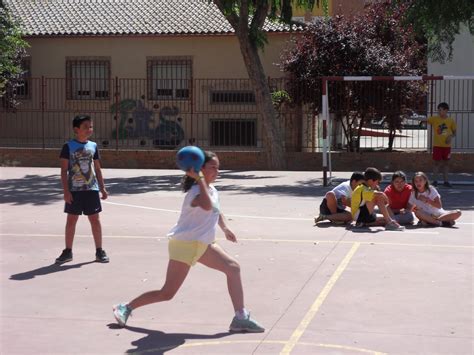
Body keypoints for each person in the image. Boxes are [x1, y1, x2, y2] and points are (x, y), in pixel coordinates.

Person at [113, 151, 264, 333]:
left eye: (218, 167)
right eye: (213, 167)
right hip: (184, 246)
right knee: (167, 293)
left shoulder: (212, 190)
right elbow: (207, 205)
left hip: (203, 244)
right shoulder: (195, 193)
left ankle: (240, 317)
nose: (217, 171)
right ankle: (125, 307)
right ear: (200, 169)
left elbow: (216, 210)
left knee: (233, 268)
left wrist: (224, 228)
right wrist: (199, 179)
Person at [55, 115, 109, 264]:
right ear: (76, 129)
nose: (89, 129)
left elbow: (97, 169)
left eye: (90, 126)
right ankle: (68, 251)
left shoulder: (93, 146)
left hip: (91, 189)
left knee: (95, 220)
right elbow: (63, 171)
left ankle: (99, 251)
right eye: (85, 127)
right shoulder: (68, 146)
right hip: (74, 191)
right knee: (71, 220)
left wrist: (102, 188)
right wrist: (66, 191)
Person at [424, 102, 457, 187]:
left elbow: (454, 133)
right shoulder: (435, 119)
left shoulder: (451, 121)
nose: (439, 112)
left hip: (447, 147)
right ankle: (435, 181)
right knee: (436, 163)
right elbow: (424, 119)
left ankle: (446, 181)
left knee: (446, 164)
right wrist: (410, 117)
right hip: (437, 146)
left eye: (440, 110)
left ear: (446, 110)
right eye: (438, 110)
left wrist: (450, 136)